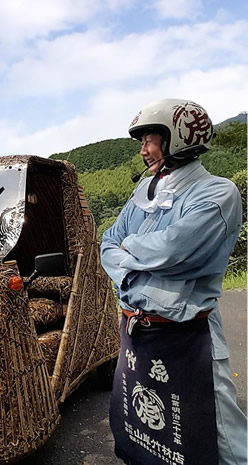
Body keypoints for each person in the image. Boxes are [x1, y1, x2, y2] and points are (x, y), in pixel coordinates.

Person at [100, 98, 247, 465]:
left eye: (150, 139)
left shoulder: (217, 193)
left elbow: (174, 250)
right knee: (146, 427)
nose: (143, 151)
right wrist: (134, 258)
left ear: (178, 138)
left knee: (218, 432)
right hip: (140, 332)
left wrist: (127, 249)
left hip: (188, 335)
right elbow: (106, 244)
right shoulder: (144, 193)